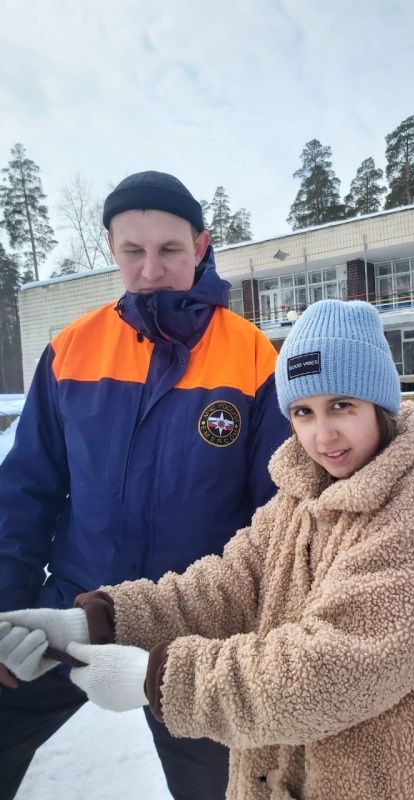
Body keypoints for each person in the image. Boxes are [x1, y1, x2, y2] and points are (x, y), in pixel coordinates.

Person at [0, 300, 414, 800]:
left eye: (342, 405)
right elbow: (228, 586)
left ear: (379, 403)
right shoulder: (303, 494)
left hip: (384, 781)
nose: (324, 434)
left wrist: (159, 679)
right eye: (303, 412)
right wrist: (96, 621)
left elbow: (339, 666)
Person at [0, 171, 290, 800]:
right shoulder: (71, 351)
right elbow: (26, 490)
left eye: (170, 250)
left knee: (227, 789)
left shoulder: (253, 358)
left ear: (202, 245)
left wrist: (264, 636)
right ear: (112, 249)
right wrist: (4, 608)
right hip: (72, 609)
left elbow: (278, 514)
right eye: (134, 251)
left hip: (197, 627)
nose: (152, 268)